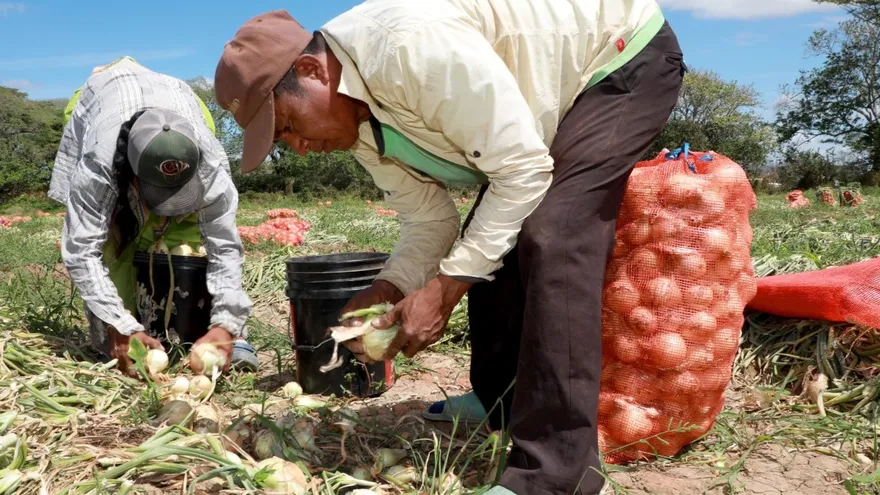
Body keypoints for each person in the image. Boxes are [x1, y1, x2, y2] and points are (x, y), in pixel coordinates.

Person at [214, 1, 685, 493]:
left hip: (617, 58)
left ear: (312, 69)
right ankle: (501, 397)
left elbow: (521, 173)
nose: (299, 147)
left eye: (287, 125)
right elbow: (430, 218)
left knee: (556, 232)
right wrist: (389, 286)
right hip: (537, 114)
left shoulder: (407, 50)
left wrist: (443, 292)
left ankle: (560, 474)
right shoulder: (356, 124)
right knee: (495, 230)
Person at [50, 57, 260, 378]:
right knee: (116, 243)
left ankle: (221, 335)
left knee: (188, 243)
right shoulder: (99, 166)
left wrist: (227, 323)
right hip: (104, 104)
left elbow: (224, 247)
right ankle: (124, 334)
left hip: (177, 100)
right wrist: (119, 325)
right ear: (133, 178)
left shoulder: (211, 161)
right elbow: (82, 250)